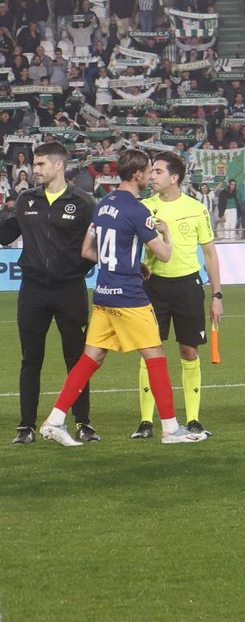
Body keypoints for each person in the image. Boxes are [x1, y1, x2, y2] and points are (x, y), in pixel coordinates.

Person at [35, 149, 207, 446]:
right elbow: (164, 255)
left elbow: (87, 251)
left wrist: (125, 263)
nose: (150, 176)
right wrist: (166, 233)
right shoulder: (138, 211)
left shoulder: (103, 205)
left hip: (103, 294)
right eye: (149, 171)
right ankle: (170, 429)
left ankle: (54, 421)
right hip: (129, 297)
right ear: (137, 174)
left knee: (91, 358)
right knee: (156, 357)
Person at [2, 142, 96, 445]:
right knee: (31, 359)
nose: (35, 169)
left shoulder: (84, 202)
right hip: (33, 291)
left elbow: (98, 243)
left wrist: (76, 271)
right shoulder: (26, 199)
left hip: (70, 291)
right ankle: (26, 426)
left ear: (59, 165)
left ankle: (83, 422)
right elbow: (6, 235)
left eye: (41, 164)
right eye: (34, 164)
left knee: (77, 360)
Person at [134, 150, 223, 438]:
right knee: (149, 351)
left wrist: (217, 296)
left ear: (174, 178)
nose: (152, 176)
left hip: (187, 286)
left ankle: (193, 419)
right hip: (153, 286)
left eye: (158, 171)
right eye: (152, 171)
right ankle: (146, 422)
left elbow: (209, 253)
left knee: (189, 351)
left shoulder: (196, 208)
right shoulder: (144, 207)